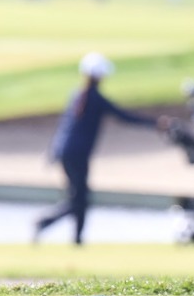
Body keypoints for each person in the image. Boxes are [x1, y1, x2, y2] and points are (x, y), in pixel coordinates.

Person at [33, 52, 163, 245]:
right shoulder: (94, 98)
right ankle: (50, 225)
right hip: (77, 154)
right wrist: (154, 123)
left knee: (78, 197)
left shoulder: (78, 95)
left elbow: (64, 126)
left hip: (67, 152)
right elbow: (124, 116)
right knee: (80, 198)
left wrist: (53, 152)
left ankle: (71, 237)